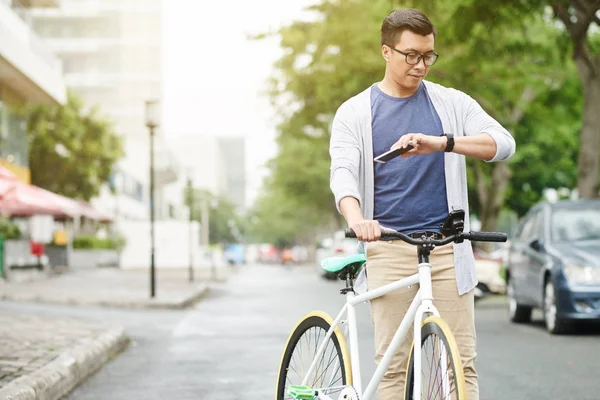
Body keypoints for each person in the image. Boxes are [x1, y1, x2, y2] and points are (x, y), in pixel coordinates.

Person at [329, 8, 515, 400]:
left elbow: (502, 144)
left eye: (429, 55)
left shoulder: (450, 103)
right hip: (390, 246)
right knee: (393, 367)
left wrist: (442, 142)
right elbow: (343, 172)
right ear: (386, 51)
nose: (421, 65)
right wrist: (358, 218)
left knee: (460, 364)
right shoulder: (355, 112)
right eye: (411, 55)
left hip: (447, 249)